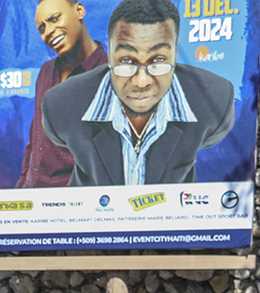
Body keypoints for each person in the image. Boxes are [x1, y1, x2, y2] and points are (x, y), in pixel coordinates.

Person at [38, 0, 236, 187]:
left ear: (175, 52)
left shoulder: (215, 101)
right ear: (109, 53)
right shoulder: (60, 105)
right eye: (126, 61)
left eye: (158, 60)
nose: (142, 81)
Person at [15, 0, 109, 188]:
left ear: (79, 11)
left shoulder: (110, 74)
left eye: (54, 19)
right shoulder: (46, 71)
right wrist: (22, 184)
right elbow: (36, 138)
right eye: (42, 28)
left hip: (77, 201)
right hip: (33, 194)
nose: (48, 31)